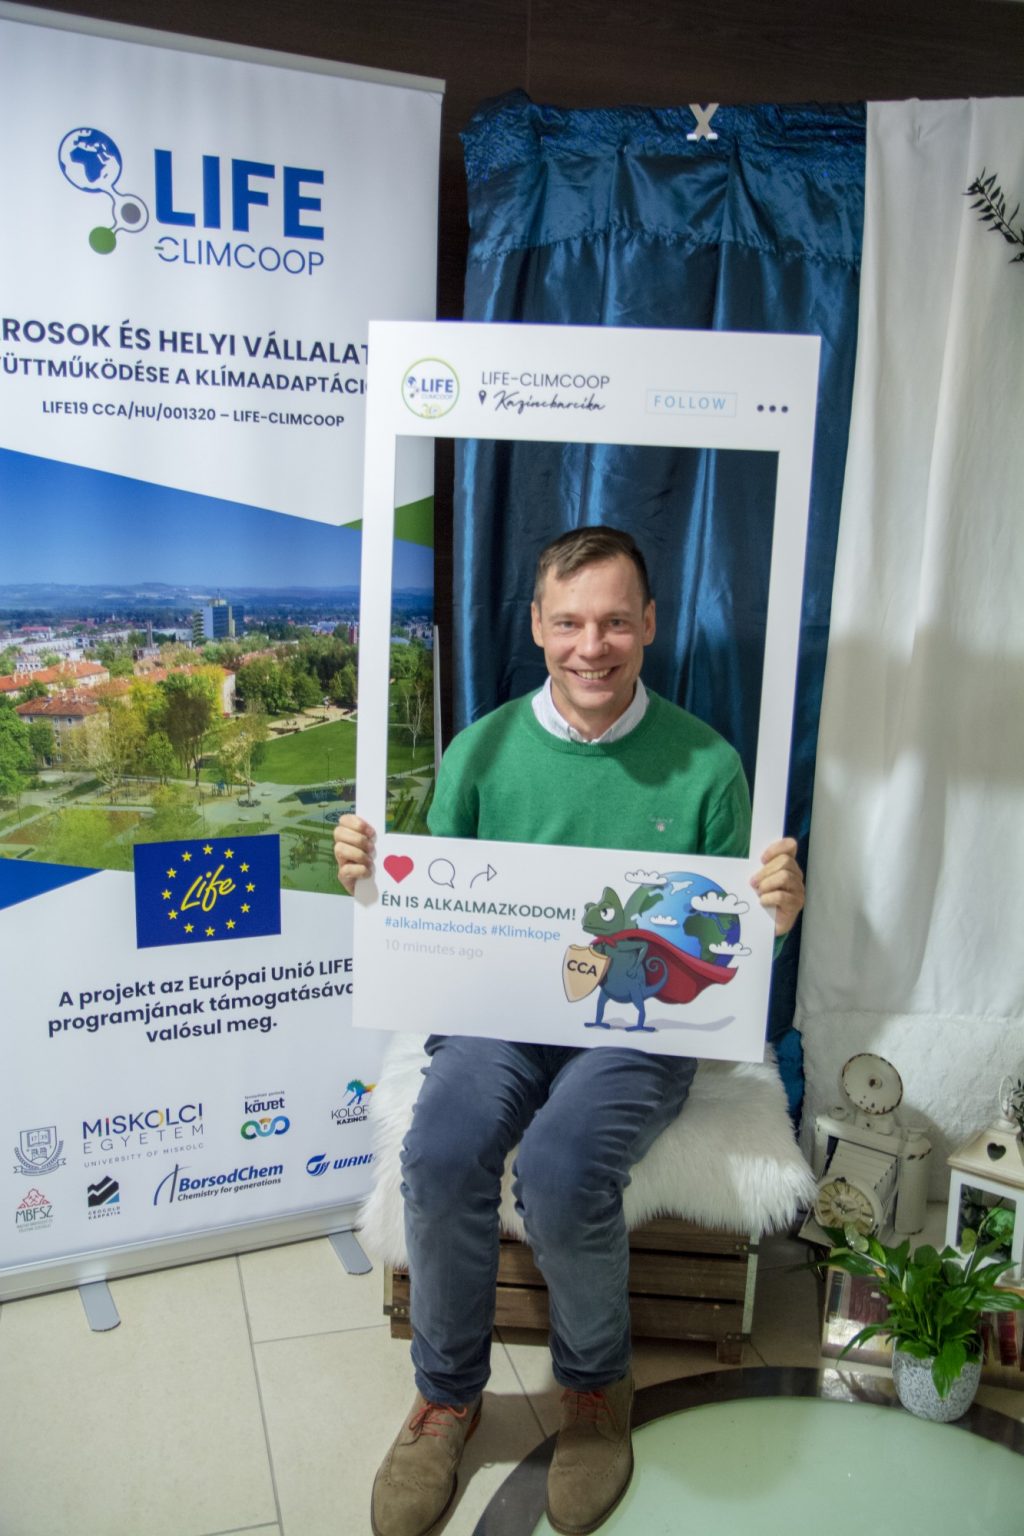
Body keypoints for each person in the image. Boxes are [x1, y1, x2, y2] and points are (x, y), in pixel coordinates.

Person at [334, 526, 804, 1536]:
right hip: (498, 1017)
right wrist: (372, 884)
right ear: (538, 627)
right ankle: (446, 1397)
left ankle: (594, 1387)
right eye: (570, 623)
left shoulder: (708, 767)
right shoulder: (481, 750)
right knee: (442, 1147)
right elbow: (431, 917)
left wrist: (773, 915)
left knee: (558, 1166)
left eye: (615, 622)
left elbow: (723, 946)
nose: (593, 647)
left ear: (650, 625)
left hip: (636, 1028)